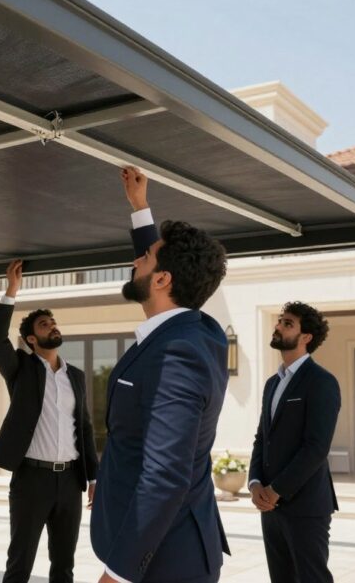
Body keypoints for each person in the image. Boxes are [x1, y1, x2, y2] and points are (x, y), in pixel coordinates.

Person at [90, 167, 230, 583]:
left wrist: (119, 572)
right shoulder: (196, 331)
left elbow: (167, 474)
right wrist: (140, 208)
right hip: (161, 548)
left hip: (166, 561)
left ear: (164, 279)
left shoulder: (178, 354)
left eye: (146, 257)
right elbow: (160, 262)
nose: (137, 260)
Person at [0, 259, 98, 583]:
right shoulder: (21, 369)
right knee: (20, 564)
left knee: (64, 565)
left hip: (70, 482)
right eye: (44, 325)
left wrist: (94, 477)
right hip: (31, 481)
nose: (52, 326)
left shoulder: (74, 376)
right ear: (31, 339)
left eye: (53, 322)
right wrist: (11, 291)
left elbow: (86, 428)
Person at [248, 302, 340, 583]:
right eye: (279, 321)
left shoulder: (321, 382)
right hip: (269, 506)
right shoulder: (271, 384)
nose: (278, 326)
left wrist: (277, 490)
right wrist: (254, 483)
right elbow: (262, 438)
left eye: (288, 323)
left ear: (306, 337)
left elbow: (316, 447)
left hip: (305, 504)